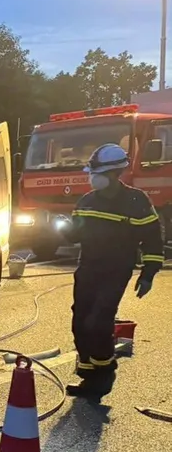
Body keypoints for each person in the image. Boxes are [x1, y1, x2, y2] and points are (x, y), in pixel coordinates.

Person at [60, 143, 163, 397]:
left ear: (116, 173)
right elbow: (74, 234)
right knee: (80, 322)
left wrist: (148, 274)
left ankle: (105, 373)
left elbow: (152, 239)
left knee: (98, 322)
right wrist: (64, 228)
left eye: (99, 173)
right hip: (88, 268)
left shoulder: (136, 201)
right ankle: (88, 375)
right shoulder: (87, 201)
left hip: (116, 270)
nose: (93, 178)